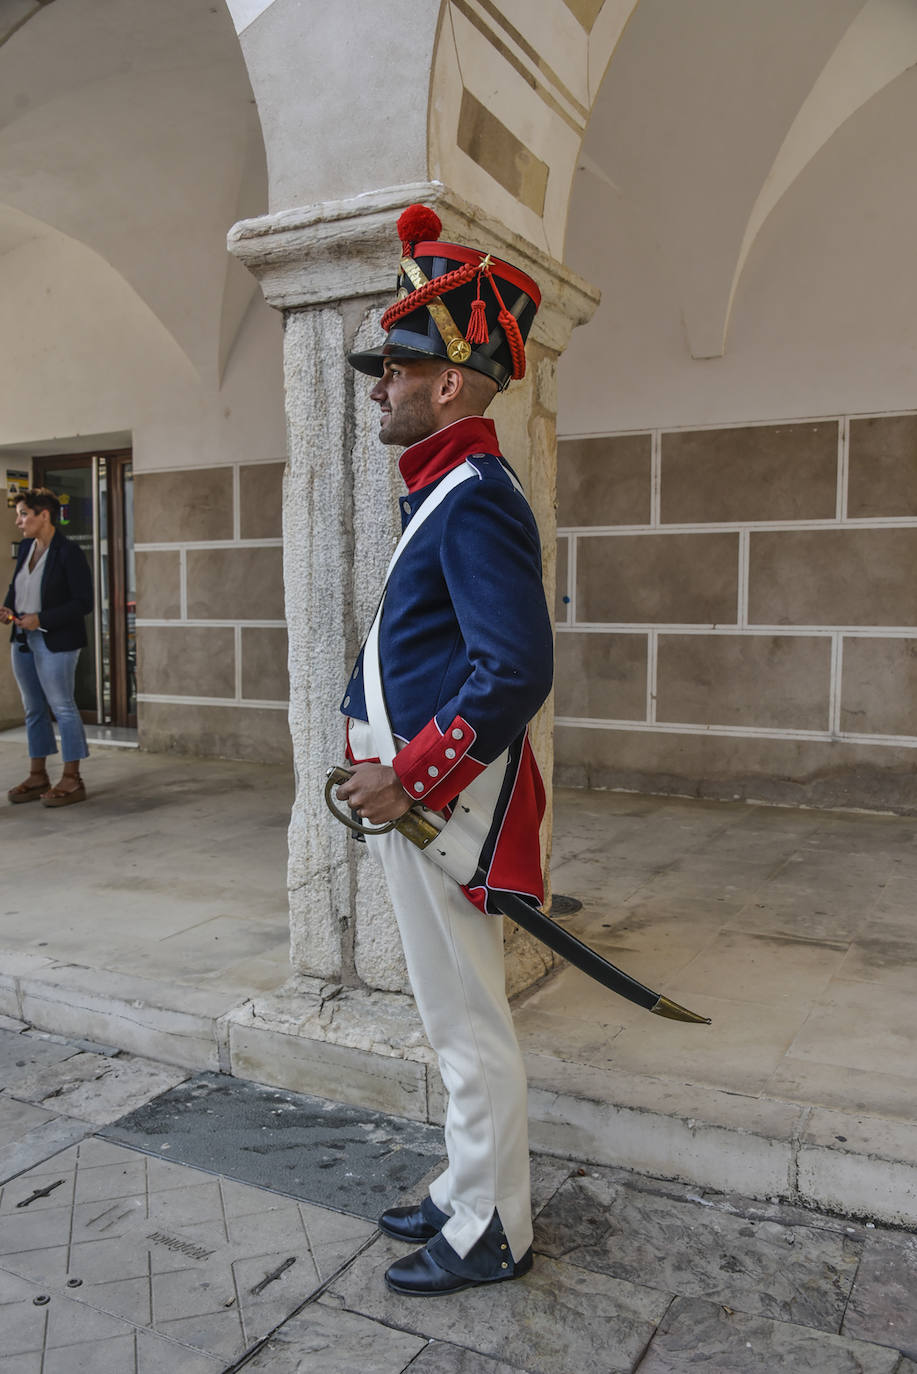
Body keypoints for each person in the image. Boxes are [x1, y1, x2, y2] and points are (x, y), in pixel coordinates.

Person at [335, 205, 553, 1296]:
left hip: (438, 805)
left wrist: (406, 771)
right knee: (446, 1017)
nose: (381, 385)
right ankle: (468, 1184)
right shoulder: (442, 491)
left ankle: (493, 1228)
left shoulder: (472, 500)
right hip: (407, 801)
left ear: (452, 384)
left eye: (398, 367)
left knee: (469, 1027)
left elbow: (512, 670)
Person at [2, 487, 93, 806]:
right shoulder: (27, 547)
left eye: (24, 514)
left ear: (45, 515)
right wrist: (8, 608)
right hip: (24, 639)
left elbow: (83, 603)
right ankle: (38, 775)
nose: (19, 521)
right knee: (33, 708)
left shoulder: (69, 553)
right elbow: (18, 586)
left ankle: (72, 779)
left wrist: (42, 617)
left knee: (63, 707)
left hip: (57, 640)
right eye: (19, 514)